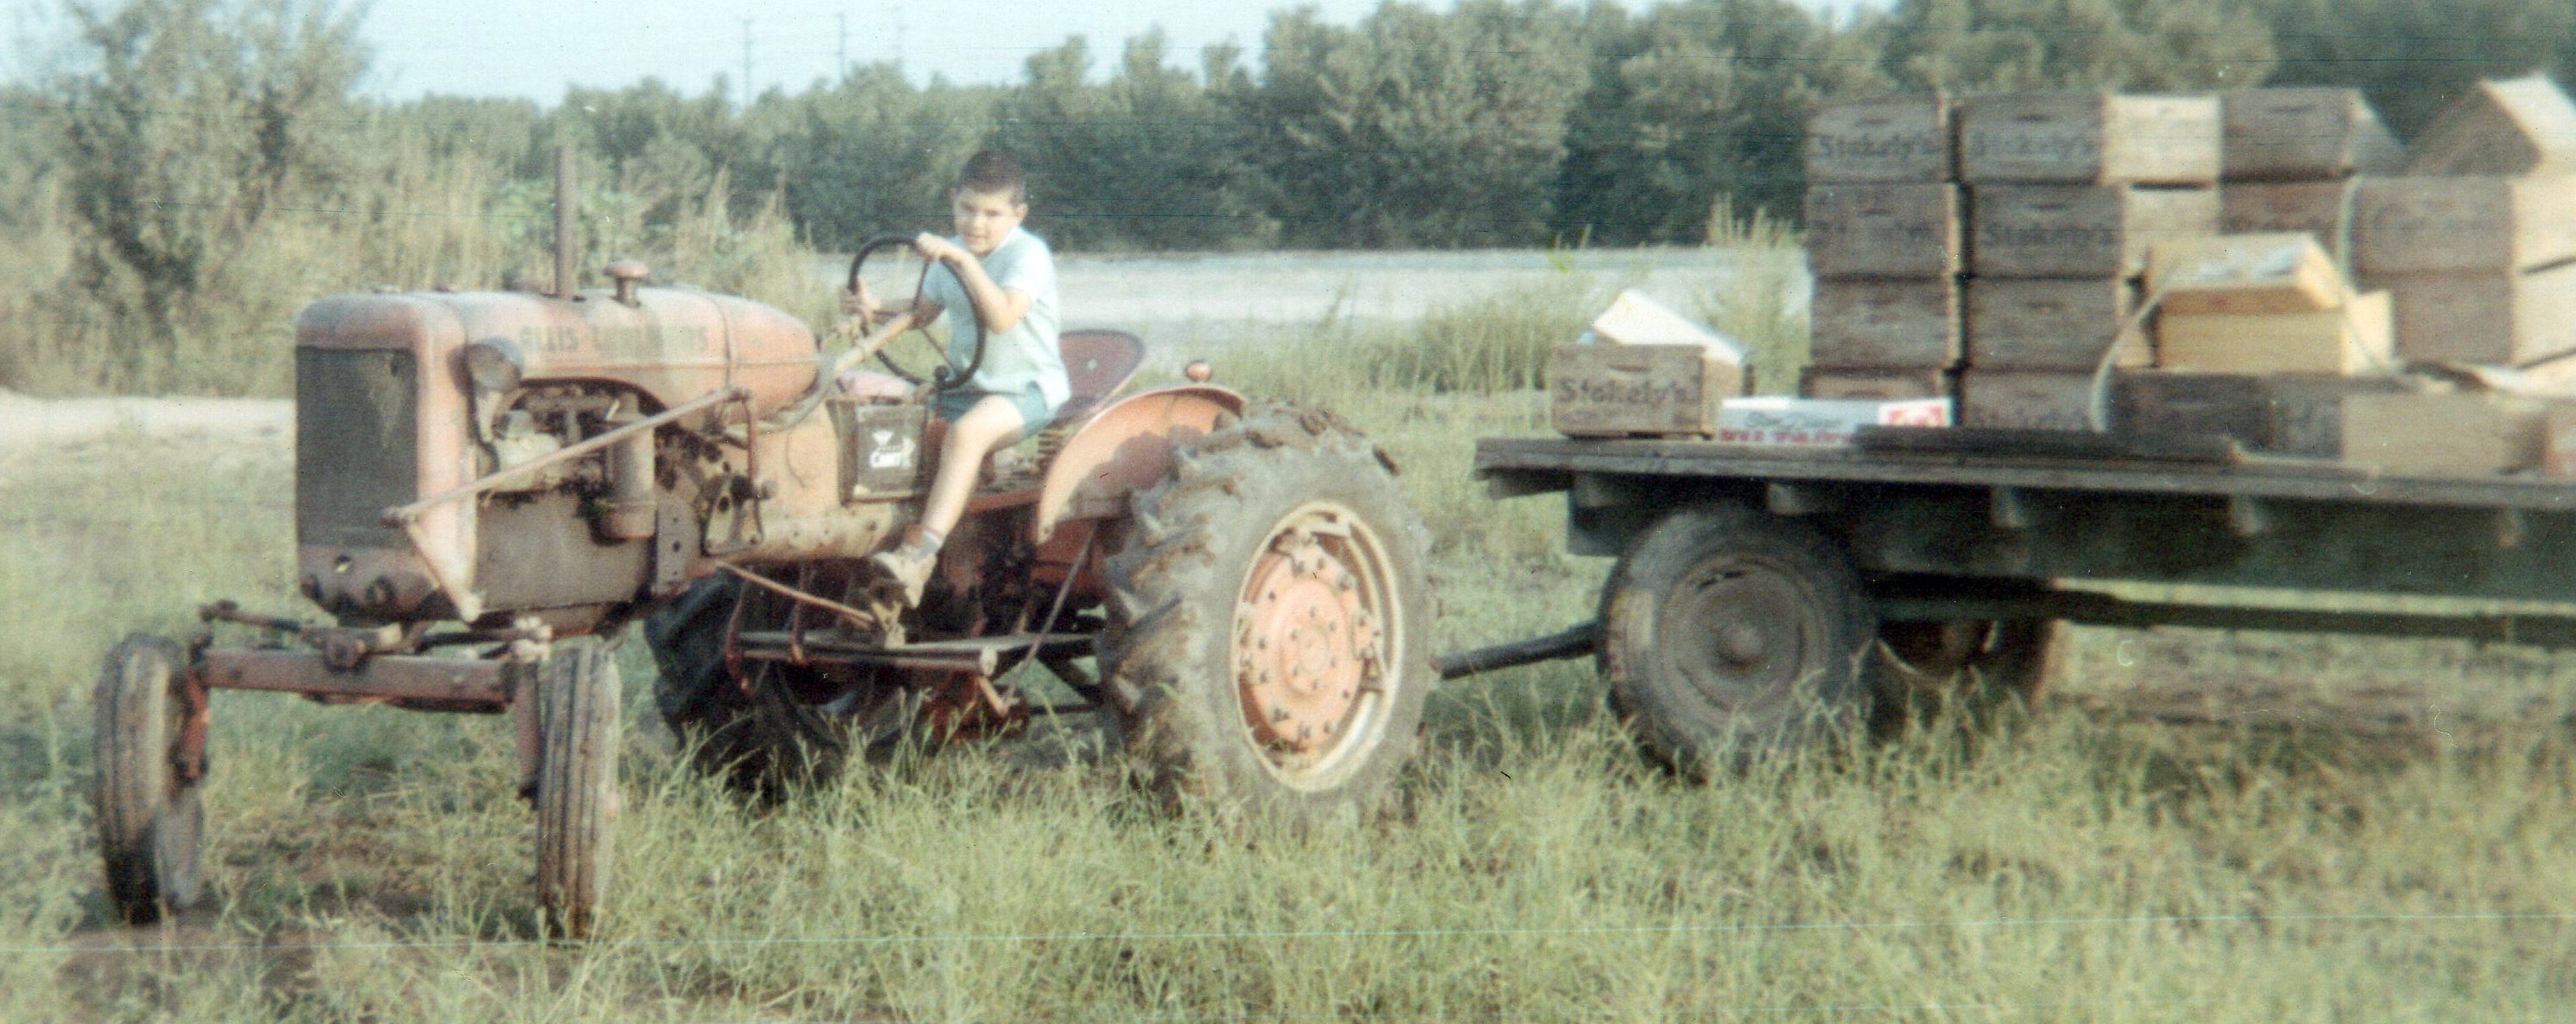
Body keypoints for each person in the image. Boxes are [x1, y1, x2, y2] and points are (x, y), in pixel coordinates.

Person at [843, 150, 1071, 606]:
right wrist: (872, 311)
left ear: (1018, 215)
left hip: (1026, 391)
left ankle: (918, 556)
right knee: (885, 424)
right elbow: (920, 313)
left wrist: (962, 261)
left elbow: (1003, 317)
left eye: (992, 214)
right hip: (969, 387)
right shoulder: (950, 252)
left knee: (965, 436)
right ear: (953, 201)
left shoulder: (1028, 255)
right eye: (967, 209)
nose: (977, 223)